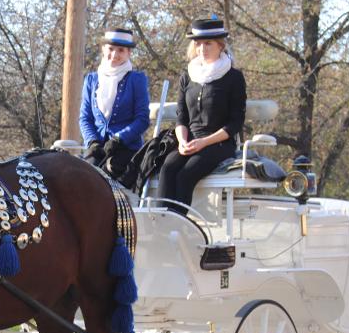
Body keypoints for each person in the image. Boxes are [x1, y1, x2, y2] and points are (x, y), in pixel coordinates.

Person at [156, 15, 246, 213]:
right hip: (190, 140)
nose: (202, 49)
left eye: (208, 44)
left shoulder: (234, 77)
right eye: (198, 44)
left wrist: (204, 142)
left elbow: (235, 123)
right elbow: (182, 116)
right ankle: (159, 224)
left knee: (186, 174)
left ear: (220, 45)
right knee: (168, 167)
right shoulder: (187, 76)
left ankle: (179, 227)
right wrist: (182, 141)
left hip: (219, 143)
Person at [79, 28, 150, 178]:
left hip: (127, 148)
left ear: (129, 53)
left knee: (104, 176)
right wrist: (92, 141)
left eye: (121, 50)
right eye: (111, 49)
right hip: (98, 148)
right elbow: (85, 118)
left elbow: (142, 119)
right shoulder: (91, 80)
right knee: (80, 176)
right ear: (103, 49)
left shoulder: (137, 79)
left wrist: (119, 139)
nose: (115, 55)